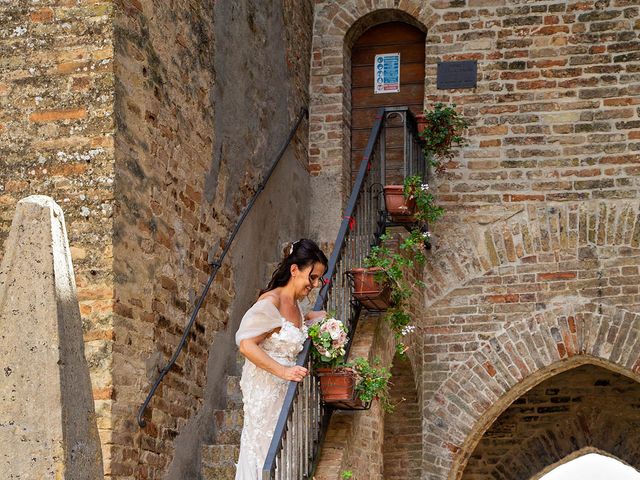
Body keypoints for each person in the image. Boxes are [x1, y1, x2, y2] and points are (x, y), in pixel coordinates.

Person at [234, 239, 328, 479]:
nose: (315, 285)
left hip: (285, 390)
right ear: (295, 270)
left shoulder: (295, 305)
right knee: (265, 450)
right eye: (312, 277)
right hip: (266, 386)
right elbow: (246, 345)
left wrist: (309, 320)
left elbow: (284, 333)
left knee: (285, 452)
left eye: (318, 279)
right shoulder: (270, 302)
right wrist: (283, 372)